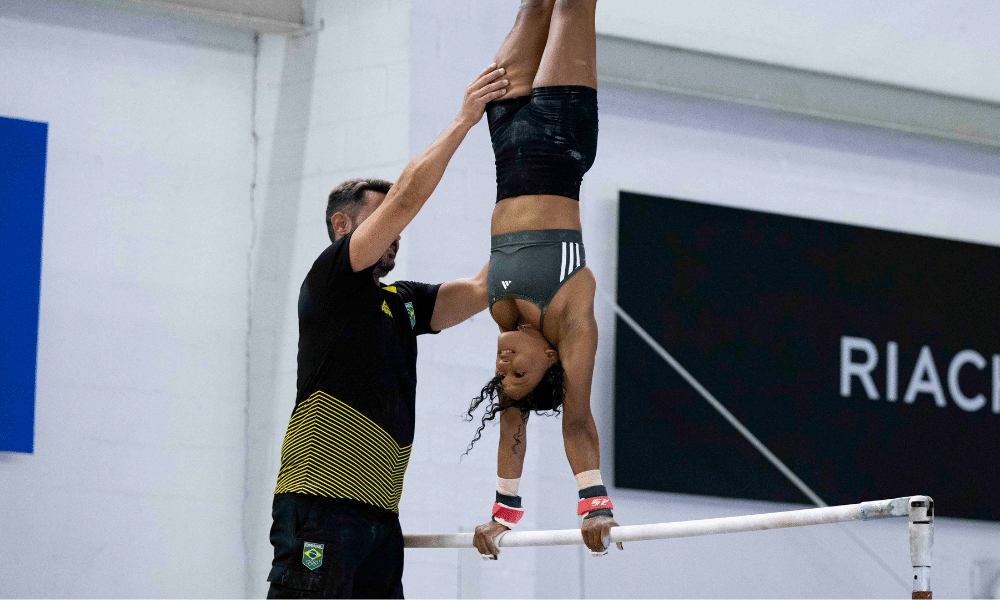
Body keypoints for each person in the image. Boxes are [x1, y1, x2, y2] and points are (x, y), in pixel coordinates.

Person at [266, 65, 508, 599]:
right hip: (320, 500)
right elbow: (404, 201)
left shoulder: (400, 303)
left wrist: (533, 209)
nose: (396, 236)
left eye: (395, 230)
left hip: (380, 513)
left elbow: (484, 286)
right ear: (342, 227)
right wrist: (466, 118)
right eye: (385, 225)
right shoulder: (330, 277)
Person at [465, 0, 623, 559]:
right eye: (518, 372)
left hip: (506, 143)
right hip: (561, 140)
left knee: (535, 5)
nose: (503, 365)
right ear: (551, 363)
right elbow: (576, 422)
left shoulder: (504, 316)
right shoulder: (571, 320)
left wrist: (500, 515)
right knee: (572, 6)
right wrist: (594, 504)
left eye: (500, 372)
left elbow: (512, 430)